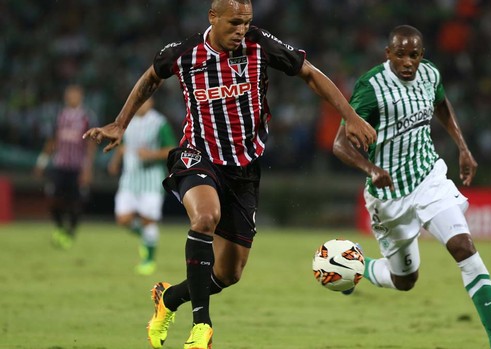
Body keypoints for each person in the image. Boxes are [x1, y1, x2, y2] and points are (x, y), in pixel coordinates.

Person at [82, 1, 377, 348]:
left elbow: (310, 73)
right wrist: (121, 122)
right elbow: (150, 78)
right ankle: (201, 326)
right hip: (197, 154)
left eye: (246, 22)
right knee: (205, 217)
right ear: (213, 17)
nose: (241, 30)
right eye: (235, 22)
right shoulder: (183, 53)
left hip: (243, 169)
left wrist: (351, 116)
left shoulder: (259, 44)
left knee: (228, 274)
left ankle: (169, 299)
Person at [332, 25, 491, 349]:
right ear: (388, 54)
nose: (407, 61)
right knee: (405, 280)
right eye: (399, 54)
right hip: (388, 198)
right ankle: (357, 266)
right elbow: (340, 144)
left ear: (421, 55)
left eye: (413, 55)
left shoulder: (430, 75)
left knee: (463, 247)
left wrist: (462, 146)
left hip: (429, 179)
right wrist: (371, 169)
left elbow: (441, 105)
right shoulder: (371, 88)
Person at [107, 97, 176, 275]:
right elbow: (123, 145)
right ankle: (146, 238)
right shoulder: (126, 121)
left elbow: (171, 149)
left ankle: (148, 260)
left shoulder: (159, 123)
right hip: (129, 178)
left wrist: (152, 154)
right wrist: (115, 161)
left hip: (151, 179)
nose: (141, 104)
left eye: (145, 101)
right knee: (123, 219)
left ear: (151, 103)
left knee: (148, 220)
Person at [34, 84, 97, 250]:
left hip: (77, 166)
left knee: (76, 201)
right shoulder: (59, 115)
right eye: (69, 94)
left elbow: (91, 145)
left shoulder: (87, 117)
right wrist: (42, 161)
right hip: (59, 165)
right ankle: (60, 227)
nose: (72, 97)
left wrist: (88, 168)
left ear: (81, 96)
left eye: (75, 95)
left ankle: (71, 231)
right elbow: (52, 140)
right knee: (53, 199)